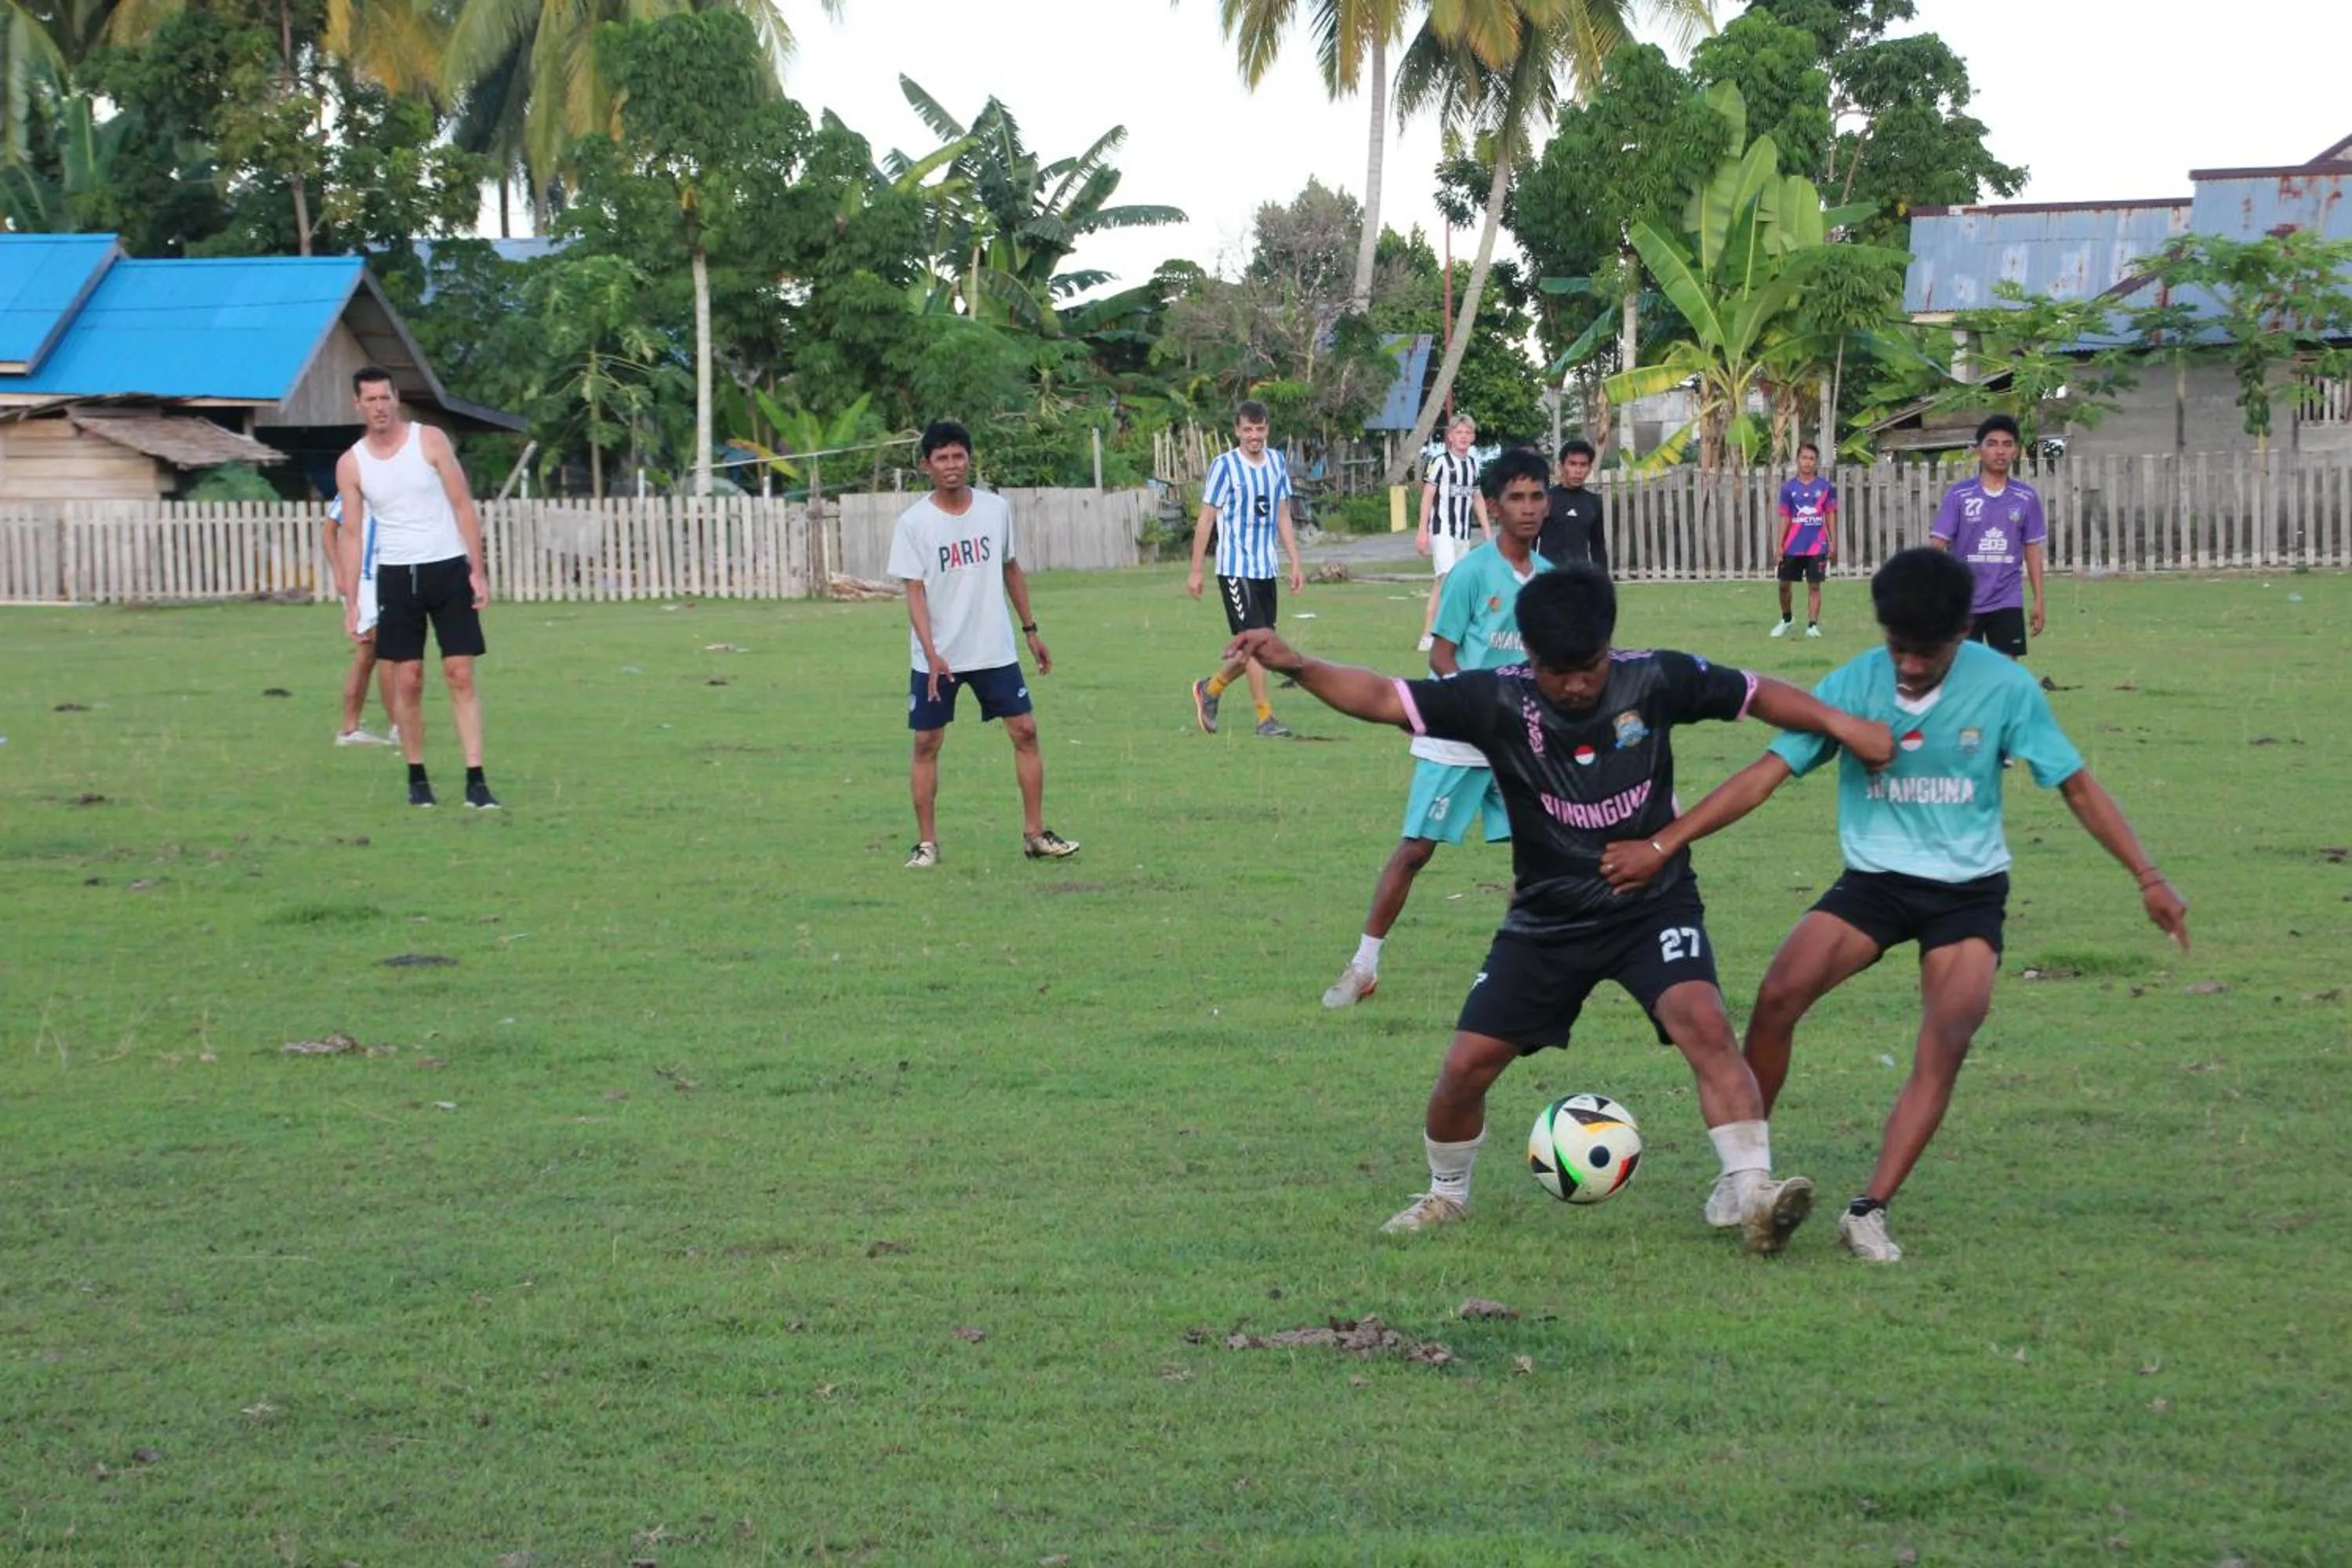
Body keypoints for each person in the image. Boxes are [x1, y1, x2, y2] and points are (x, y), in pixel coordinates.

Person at [1229, 567, 1895, 1250]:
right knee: (1464, 1069)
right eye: (1558, 672)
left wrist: (1841, 723)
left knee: (1705, 1023)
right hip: (1547, 920)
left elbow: (1758, 695)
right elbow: (1383, 696)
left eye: (1590, 667)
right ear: (1529, 657)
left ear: (1610, 646)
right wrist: (1301, 664)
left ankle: (1753, 1191)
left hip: (1651, 905)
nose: (1576, 684)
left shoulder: (1655, 678)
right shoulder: (1495, 698)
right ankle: (1446, 1195)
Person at [1599, 547, 2189, 1263]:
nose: (1908, 666)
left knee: (1948, 1033)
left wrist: (2148, 876)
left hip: (1967, 896)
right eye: (1897, 648)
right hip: (1875, 884)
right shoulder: (1853, 684)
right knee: (1779, 995)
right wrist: (1661, 847)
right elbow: (1764, 776)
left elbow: (2076, 786)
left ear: (1965, 630)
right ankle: (1744, 1177)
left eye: (1927, 652)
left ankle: (1868, 1210)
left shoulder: (2006, 689)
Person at [1321, 449, 1552, 1010]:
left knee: (1537, 853)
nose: (1527, 508)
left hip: (1518, 739)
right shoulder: (1472, 572)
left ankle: (1509, 970)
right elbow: (1442, 656)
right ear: (1494, 507)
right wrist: (1476, 704)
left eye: (1536, 496)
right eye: (1515, 498)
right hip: (1459, 733)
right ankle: (1363, 965)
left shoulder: (1550, 580)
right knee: (1415, 851)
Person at [888, 419, 1079, 869]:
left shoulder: (995, 510)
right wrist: (931, 652)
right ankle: (927, 844)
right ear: (926, 466)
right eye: (942, 458)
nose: (952, 466)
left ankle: (1035, 835)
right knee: (926, 742)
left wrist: (1031, 631)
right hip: (939, 657)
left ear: (969, 460)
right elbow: (913, 591)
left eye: (959, 456)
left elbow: (1011, 569)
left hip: (994, 648)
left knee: (1026, 732)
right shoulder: (913, 523)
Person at [336, 366, 496, 809]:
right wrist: (353, 602)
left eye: (385, 398)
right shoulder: (352, 463)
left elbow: (463, 505)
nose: (380, 407)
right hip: (396, 575)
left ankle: (476, 780)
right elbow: (350, 534)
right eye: (370, 400)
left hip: (446, 567)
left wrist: (476, 570)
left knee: (460, 673)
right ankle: (417, 777)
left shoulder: (430, 441)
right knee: (408, 679)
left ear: (396, 398)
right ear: (358, 405)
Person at [1187, 400, 1305, 739]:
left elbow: (1282, 513)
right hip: (1235, 569)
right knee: (1256, 643)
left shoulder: (1277, 462)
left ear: (1267, 429)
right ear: (1237, 431)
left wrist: (1294, 560)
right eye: (1248, 429)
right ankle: (1265, 719)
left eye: (1260, 429)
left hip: (1266, 569)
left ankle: (1210, 689)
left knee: (1263, 647)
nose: (1255, 436)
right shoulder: (1224, 466)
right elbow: (1207, 517)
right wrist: (1196, 570)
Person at [1930, 414, 2046, 658]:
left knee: (2006, 671)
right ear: (1978, 450)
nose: (2000, 451)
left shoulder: (2026, 497)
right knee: (1961, 671)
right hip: (1963, 600)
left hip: (2007, 599)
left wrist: (2038, 599)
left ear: (2016, 451)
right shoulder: (1959, 495)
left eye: (2007, 444)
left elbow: (2032, 549)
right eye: (1992, 444)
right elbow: (1938, 544)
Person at [321, 494, 397, 748]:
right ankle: (396, 726)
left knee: (370, 654)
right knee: (382, 649)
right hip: (364, 582)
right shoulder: (352, 488)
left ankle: (351, 728)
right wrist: (339, 571)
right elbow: (329, 530)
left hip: (390, 575)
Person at [1415, 415, 1490, 651]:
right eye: (1459, 433)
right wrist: (1422, 530)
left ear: (1473, 437)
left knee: (1458, 581)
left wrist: (1487, 531)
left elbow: (1477, 497)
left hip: (1463, 532)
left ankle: (1452, 634)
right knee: (1446, 577)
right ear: (1450, 436)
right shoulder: (1440, 462)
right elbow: (1428, 495)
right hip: (1442, 529)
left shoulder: (1473, 465)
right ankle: (1429, 635)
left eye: (1468, 433)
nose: (1463, 437)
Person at [1771, 441, 1836, 638]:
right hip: (1792, 545)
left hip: (1816, 545)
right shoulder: (1788, 488)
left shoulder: (1825, 488)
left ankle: (1812, 625)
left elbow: (1830, 515)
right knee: (1784, 585)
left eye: (1811, 459)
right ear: (1797, 460)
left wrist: (1833, 541)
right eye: (1804, 458)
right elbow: (1785, 517)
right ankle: (1787, 619)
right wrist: (1779, 545)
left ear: (1816, 463)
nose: (1807, 463)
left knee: (1814, 586)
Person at [1538, 438, 1609, 574]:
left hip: (1579, 579)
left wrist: (1603, 580)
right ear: (1561, 466)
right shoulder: (1545, 499)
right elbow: (1530, 543)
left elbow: (1598, 546)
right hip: (1548, 579)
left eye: (1583, 465)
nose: (1578, 470)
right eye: (1572, 464)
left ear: (1589, 468)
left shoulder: (1593, 502)